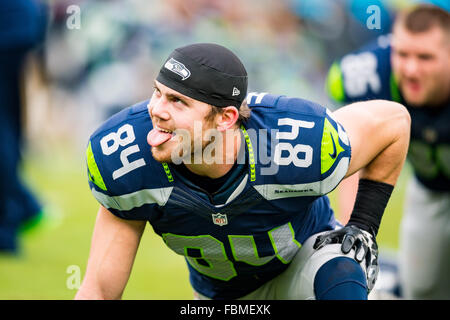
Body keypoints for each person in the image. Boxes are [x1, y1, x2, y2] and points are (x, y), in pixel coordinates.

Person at [75, 42, 410, 300]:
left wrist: (364, 225)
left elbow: (394, 122)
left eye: (178, 101)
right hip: (220, 295)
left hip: (305, 266)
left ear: (226, 119)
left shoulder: (282, 145)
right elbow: (99, 290)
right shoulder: (130, 159)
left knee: (341, 269)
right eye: (157, 93)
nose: (155, 111)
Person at [325, 4, 450, 299]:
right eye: (402, 54)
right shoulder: (369, 73)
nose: (410, 69)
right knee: (421, 287)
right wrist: (349, 231)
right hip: (428, 188)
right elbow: (353, 153)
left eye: (425, 57)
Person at [0, 0, 48, 253]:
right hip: (20, 23)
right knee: (9, 123)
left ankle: (16, 211)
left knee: (4, 128)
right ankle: (22, 205)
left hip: (9, 25)